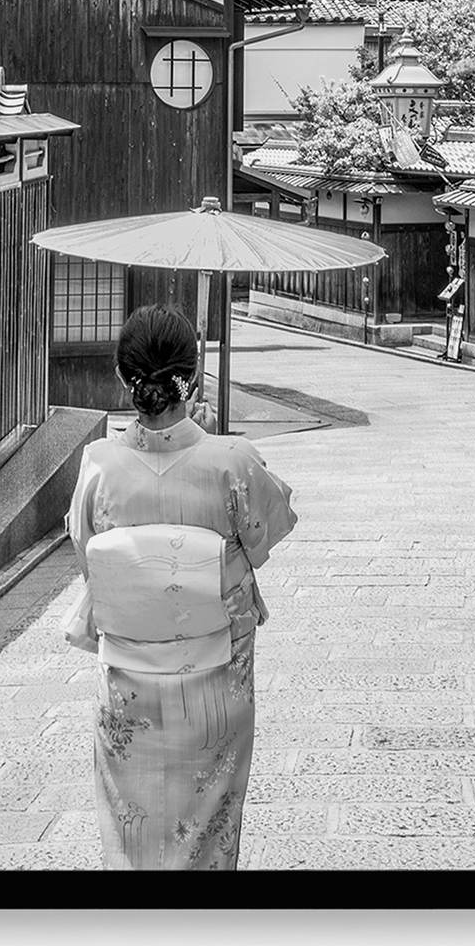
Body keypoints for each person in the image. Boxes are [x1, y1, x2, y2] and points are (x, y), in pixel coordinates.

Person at [63, 302, 297, 870]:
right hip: (216, 682)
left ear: (124, 378)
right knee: (208, 826)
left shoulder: (98, 465)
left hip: (130, 687)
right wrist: (211, 445)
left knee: (132, 827)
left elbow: (88, 557)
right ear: (191, 378)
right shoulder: (233, 461)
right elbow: (269, 534)